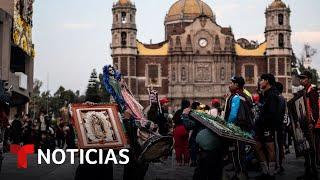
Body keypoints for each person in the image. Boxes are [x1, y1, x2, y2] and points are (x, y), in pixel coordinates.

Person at [224, 76, 253, 179]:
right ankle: (240, 173)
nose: (229, 85)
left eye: (231, 83)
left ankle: (241, 174)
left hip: (237, 129)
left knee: (237, 152)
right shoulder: (244, 96)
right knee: (240, 152)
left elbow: (233, 115)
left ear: (236, 85)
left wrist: (227, 126)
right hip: (243, 128)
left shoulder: (236, 97)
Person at [255, 74, 280, 180]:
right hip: (260, 126)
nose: (260, 82)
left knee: (270, 148)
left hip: (268, 126)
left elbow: (272, 113)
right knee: (257, 146)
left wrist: (264, 121)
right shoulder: (264, 94)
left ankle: (271, 173)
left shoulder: (272, 94)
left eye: (261, 80)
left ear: (267, 81)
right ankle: (265, 171)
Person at [297, 70, 319, 180]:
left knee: (312, 149)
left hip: (310, 124)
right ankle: (308, 171)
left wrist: (313, 123)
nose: (301, 79)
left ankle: (313, 172)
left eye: (304, 78)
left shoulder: (313, 91)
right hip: (304, 124)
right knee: (306, 148)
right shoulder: (303, 91)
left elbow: (315, 109)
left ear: (309, 79)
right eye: (300, 78)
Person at [275, 82, 286, 174]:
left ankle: (279, 165)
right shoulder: (281, 98)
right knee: (279, 145)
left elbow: (278, 113)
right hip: (280, 125)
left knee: (278, 145)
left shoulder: (279, 98)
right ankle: (279, 164)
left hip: (278, 126)